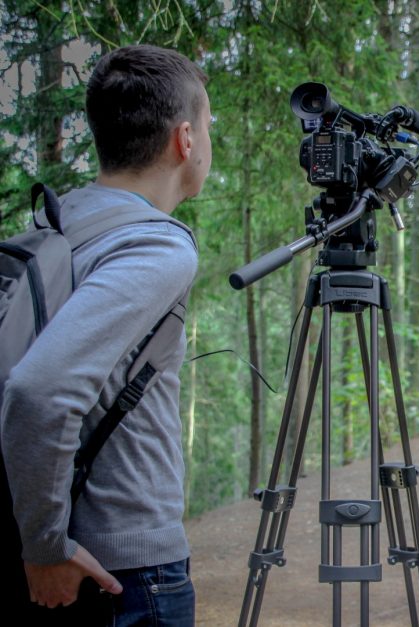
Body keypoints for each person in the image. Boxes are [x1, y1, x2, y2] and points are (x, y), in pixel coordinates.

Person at [1, 45, 210, 624]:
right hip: (127, 575)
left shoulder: (59, 222)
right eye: (208, 125)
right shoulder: (155, 245)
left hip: (68, 554)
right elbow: (38, 390)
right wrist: (47, 546)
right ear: (185, 140)